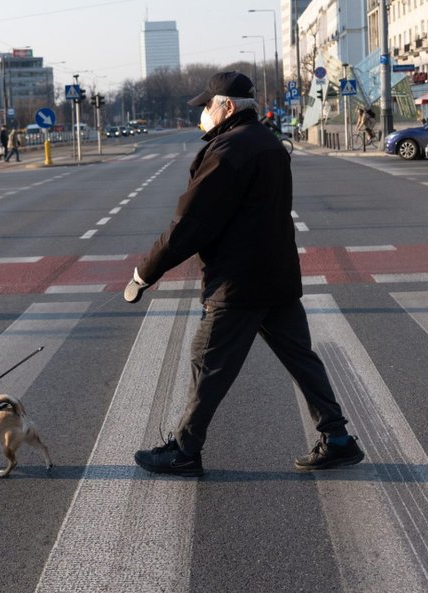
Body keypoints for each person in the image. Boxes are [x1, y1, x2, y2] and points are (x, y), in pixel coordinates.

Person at [125, 71, 365, 477]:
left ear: (228, 106)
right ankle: (338, 438)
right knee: (301, 359)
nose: (202, 113)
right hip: (277, 276)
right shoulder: (268, 142)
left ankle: (184, 450)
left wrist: (143, 274)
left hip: (238, 282)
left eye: (206, 106)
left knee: (209, 363)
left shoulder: (228, 150)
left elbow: (190, 224)